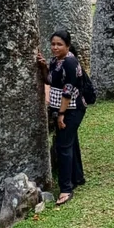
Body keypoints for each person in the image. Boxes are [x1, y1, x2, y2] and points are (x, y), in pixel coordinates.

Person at [37, 28, 86, 206]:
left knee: (63, 145)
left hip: (72, 109)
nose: (55, 47)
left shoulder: (70, 63)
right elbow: (50, 81)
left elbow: (68, 90)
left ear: (68, 46)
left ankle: (66, 189)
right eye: (53, 44)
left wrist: (61, 115)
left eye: (59, 44)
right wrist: (43, 67)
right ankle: (77, 177)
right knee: (70, 141)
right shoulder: (56, 61)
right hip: (63, 109)